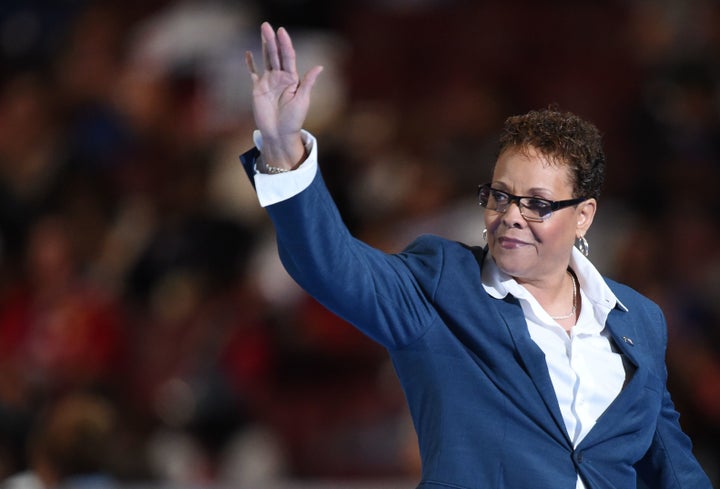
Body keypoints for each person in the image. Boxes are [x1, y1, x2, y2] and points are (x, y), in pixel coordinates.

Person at [239, 22, 713, 489]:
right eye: (500, 195)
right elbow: (330, 266)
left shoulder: (639, 321)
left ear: (584, 215)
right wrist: (284, 150)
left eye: (538, 204)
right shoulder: (443, 287)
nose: (511, 215)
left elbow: (672, 467)